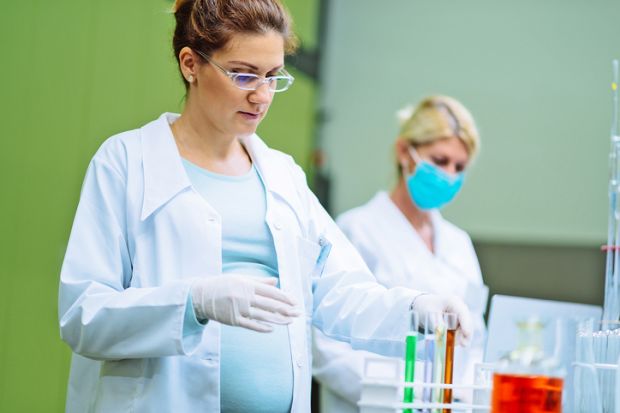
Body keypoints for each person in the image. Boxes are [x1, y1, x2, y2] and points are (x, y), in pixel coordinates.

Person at [57, 2, 473, 411]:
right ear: (190, 64)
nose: (261, 96)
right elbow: (83, 315)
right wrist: (193, 303)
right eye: (244, 74)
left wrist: (413, 307)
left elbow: (340, 292)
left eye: (274, 77)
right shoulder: (127, 161)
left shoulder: (282, 176)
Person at [313, 95, 489, 412]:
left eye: (459, 166)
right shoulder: (356, 229)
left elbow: (474, 340)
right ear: (403, 152)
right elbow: (328, 348)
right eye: (439, 160)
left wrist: (460, 395)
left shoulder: (459, 243)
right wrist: (406, 398)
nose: (449, 174)